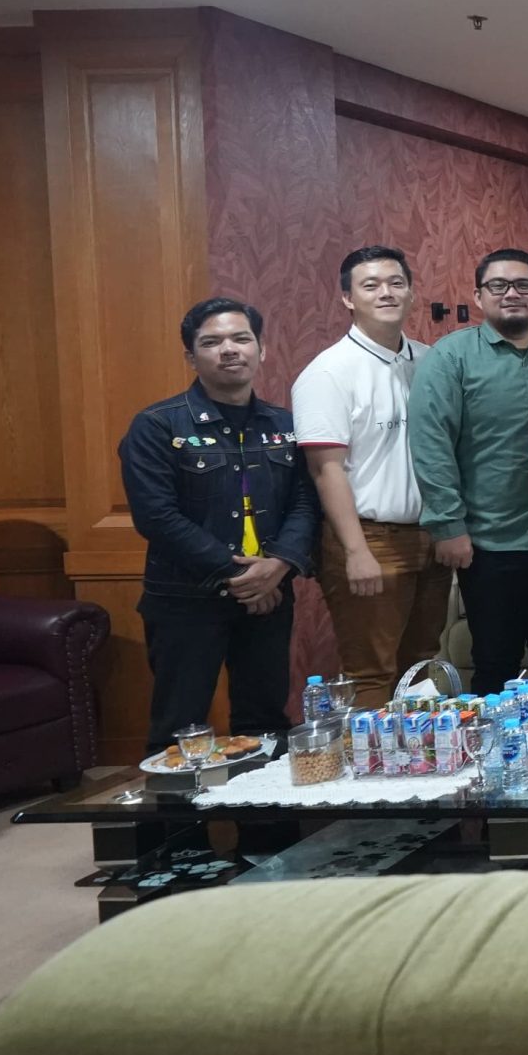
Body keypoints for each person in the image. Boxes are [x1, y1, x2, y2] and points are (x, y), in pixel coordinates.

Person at [118, 298, 318, 751]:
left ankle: (263, 800)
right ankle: (177, 803)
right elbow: (156, 516)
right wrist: (242, 576)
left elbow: (306, 502)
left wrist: (277, 566)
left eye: (241, 339)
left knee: (265, 724)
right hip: (186, 599)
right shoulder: (157, 425)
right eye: (212, 342)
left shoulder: (285, 425)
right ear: (191, 356)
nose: (229, 350)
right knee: (179, 729)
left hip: (270, 596)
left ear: (261, 350)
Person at [409, 249, 528, 695]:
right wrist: (448, 525)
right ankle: (497, 743)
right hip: (488, 540)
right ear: (478, 295)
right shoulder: (451, 357)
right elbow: (431, 444)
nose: (511, 294)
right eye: (498, 285)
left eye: (524, 285)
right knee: (495, 661)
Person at [290, 246, 448, 708]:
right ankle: (372, 757)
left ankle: (418, 756)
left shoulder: (431, 361)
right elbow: (326, 469)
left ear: (411, 293)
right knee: (372, 672)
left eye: (396, 283)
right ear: (347, 298)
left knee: (422, 664)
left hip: (430, 535)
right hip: (368, 538)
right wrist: (356, 551)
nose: (386, 293)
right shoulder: (328, 372)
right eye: (371, 285)